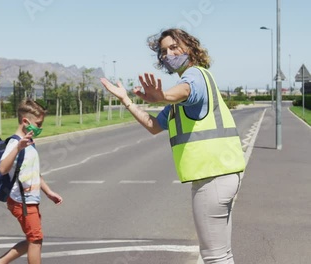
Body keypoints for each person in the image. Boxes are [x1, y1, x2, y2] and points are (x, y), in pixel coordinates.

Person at [100, 28, 245, 264]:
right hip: (220, 175)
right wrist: (126, 100)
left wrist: (163, 96)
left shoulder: (195, 77)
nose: (169, 54)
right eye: (164, 51)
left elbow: (186, 90)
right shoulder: (186, 93)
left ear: (190, 47)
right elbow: (154, 125)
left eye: (174, 47)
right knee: (222, 255)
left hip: (212, 177)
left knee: (214, 257)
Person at [0, 99, 63, 264]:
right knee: (36, 239)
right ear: (26, 121)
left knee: (32, 238)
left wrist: (49, 192)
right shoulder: (15, 143)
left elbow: (35, 173)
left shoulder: (29, 142)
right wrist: (18, 148)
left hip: (30, 200)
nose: (40, 128)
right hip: (22, 201)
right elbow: (3, 169)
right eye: (38, 124)